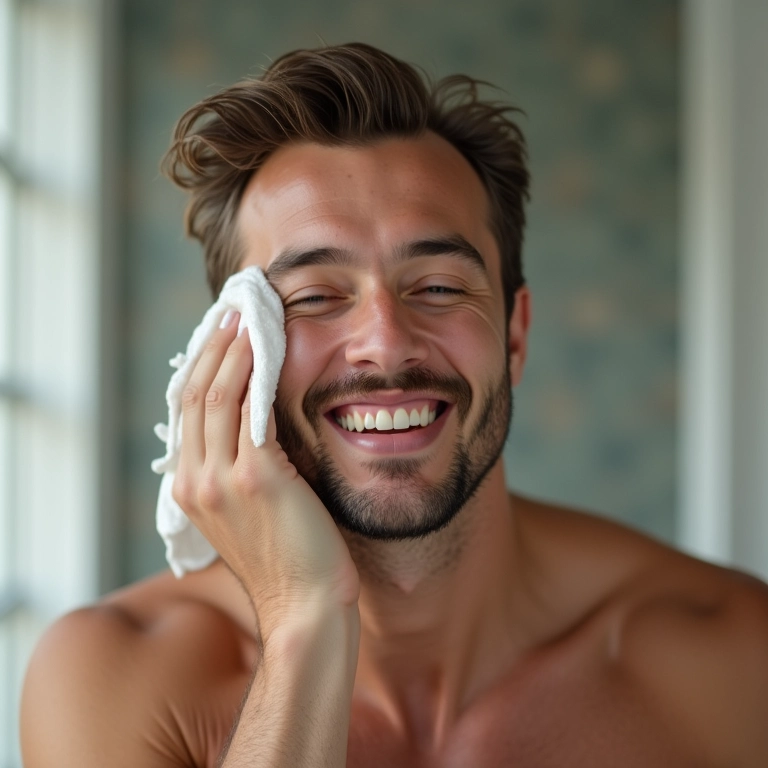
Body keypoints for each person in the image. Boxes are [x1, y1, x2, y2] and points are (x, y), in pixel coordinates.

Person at [20, 43, 768, 767]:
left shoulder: (733, 660)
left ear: (514, 334)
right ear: (235, 351)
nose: (384, 343)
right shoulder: (111, 679)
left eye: (438, 286)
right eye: (313, 297)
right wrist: (302, 622)